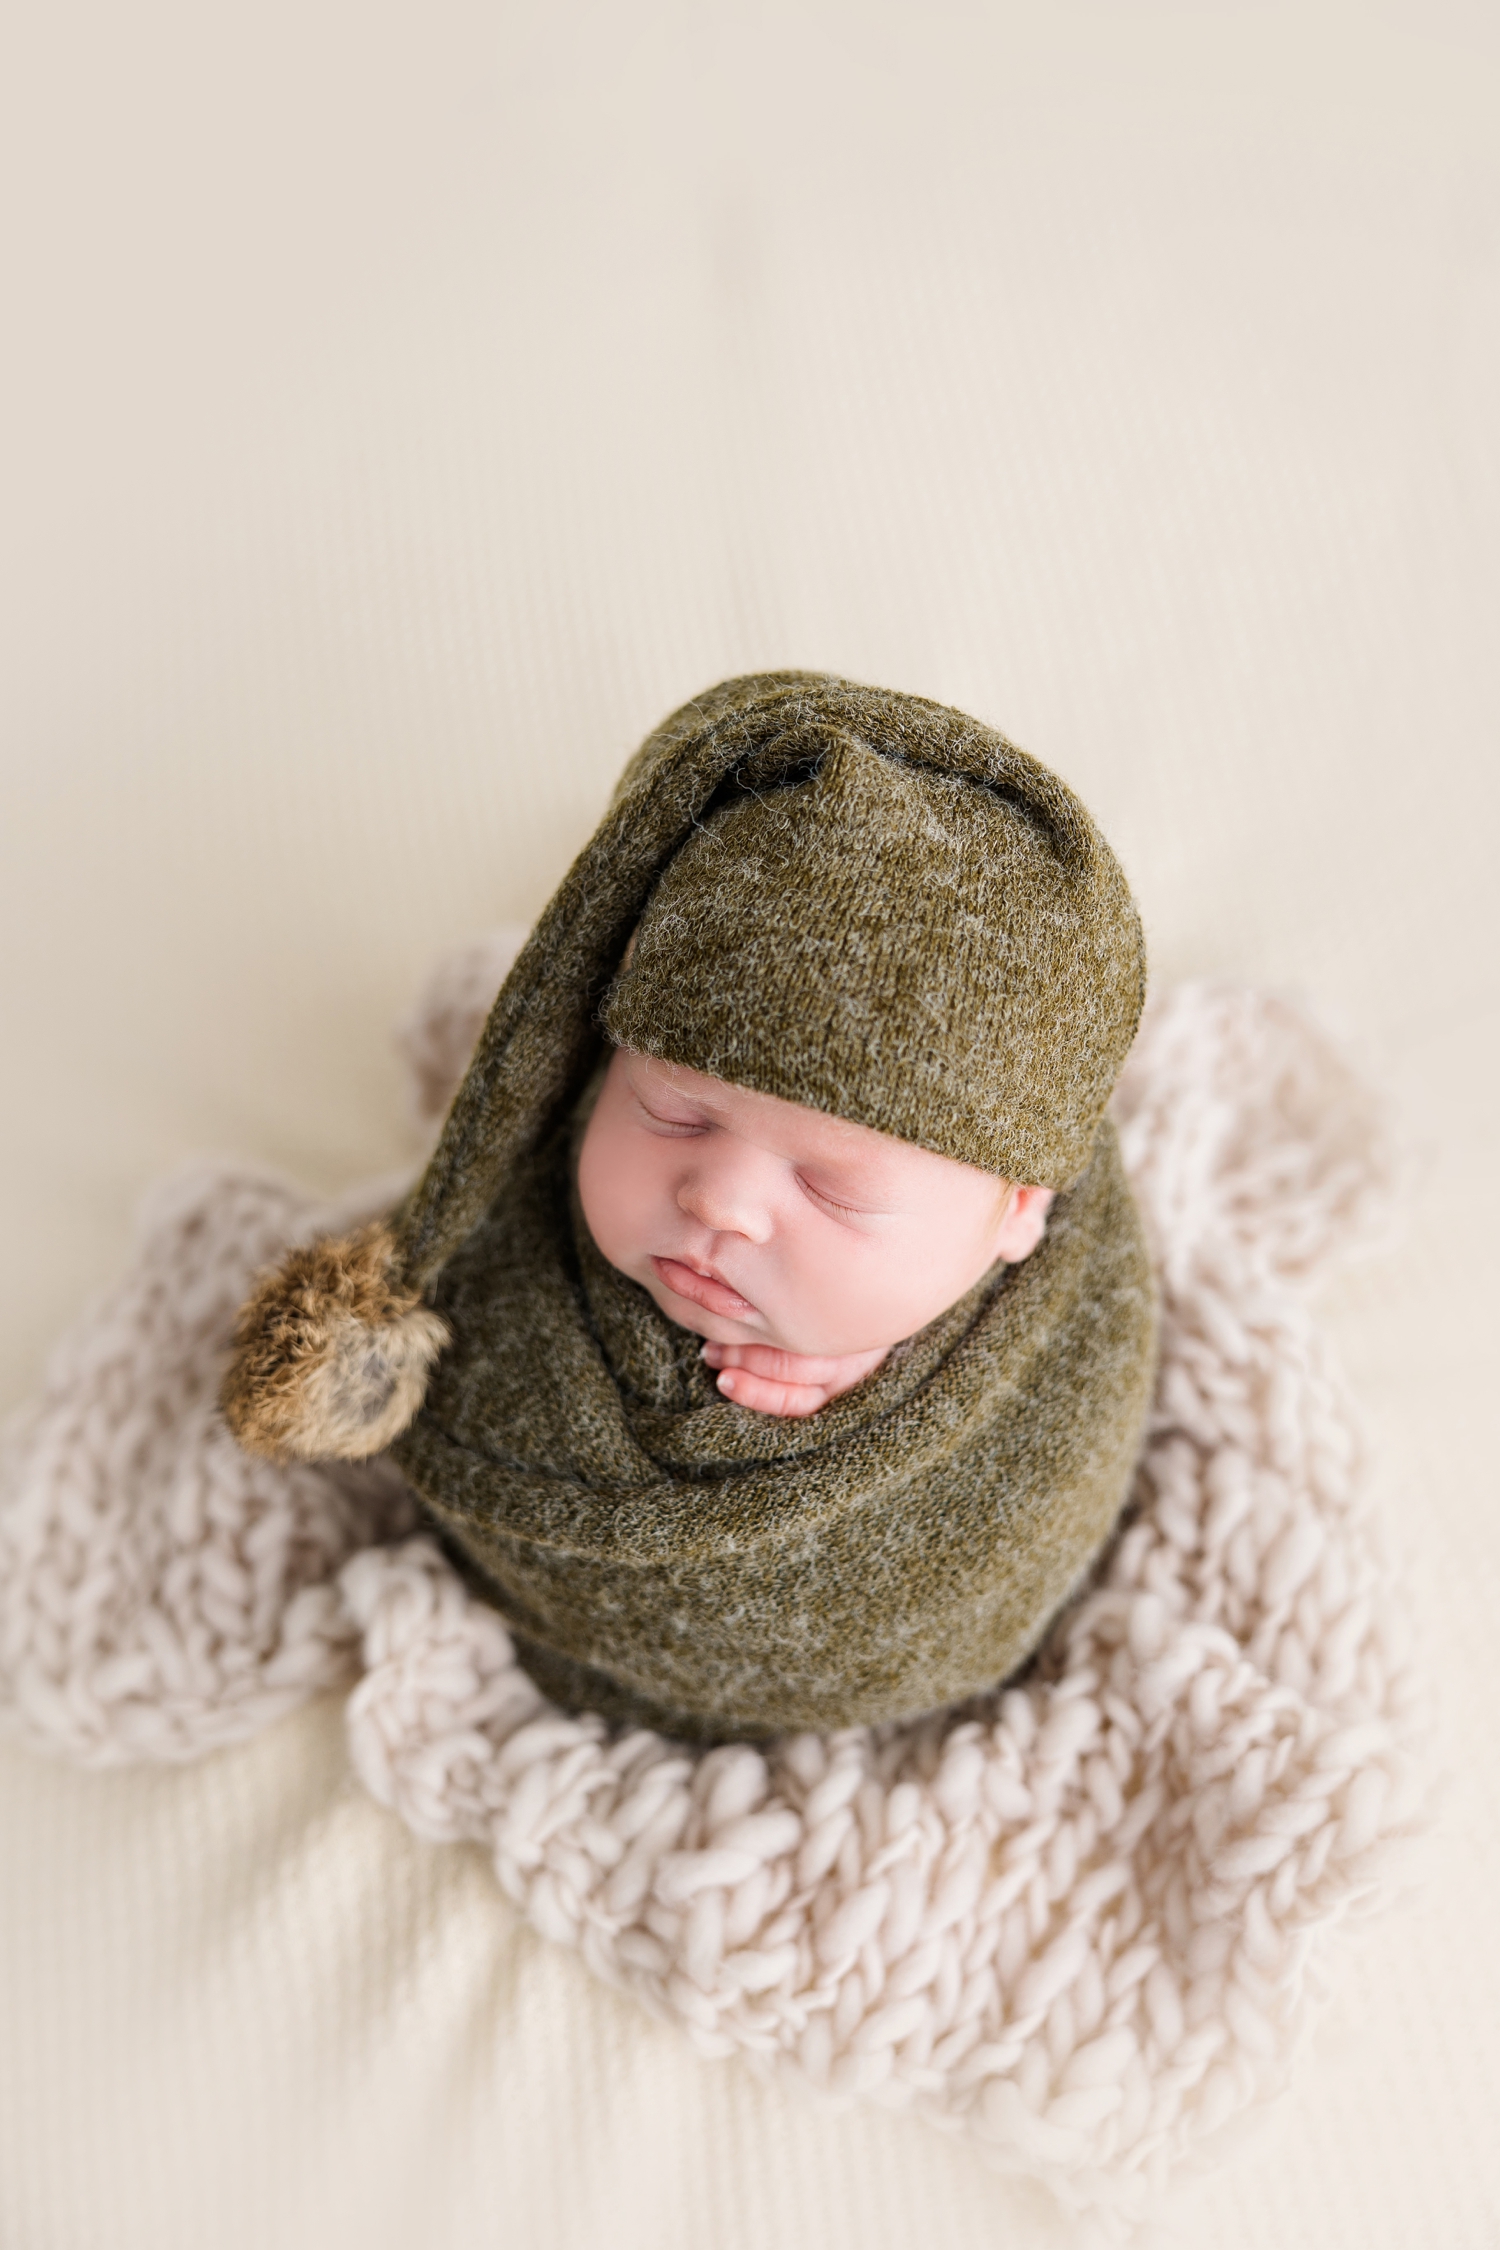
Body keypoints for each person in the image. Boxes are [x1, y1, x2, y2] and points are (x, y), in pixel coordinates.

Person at [223, 673, 1157, 1741]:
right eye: (671, 1113)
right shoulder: (508, 1263)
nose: (721, 1201)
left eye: (831, 1187)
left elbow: (1056, 1459)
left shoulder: (1047, 1281)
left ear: (1020, 1216)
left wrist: (885, 1363)